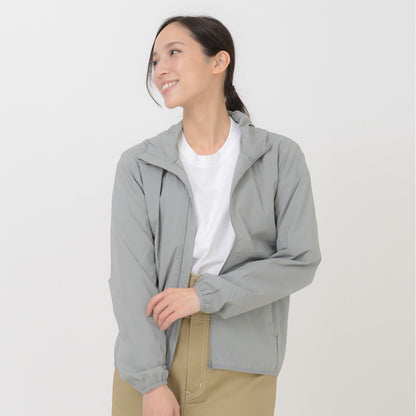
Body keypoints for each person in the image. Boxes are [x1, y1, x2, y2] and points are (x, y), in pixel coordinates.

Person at [108, 15, 322, 416]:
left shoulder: (279, 157)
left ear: (219, 61)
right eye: (155, 60)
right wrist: (151, 382)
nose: (160, 69)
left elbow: (300, 260)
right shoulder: (139, 165)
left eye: (173, 52)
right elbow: (130, 279)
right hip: (152, 356)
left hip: (241, 362)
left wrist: (203, 296)